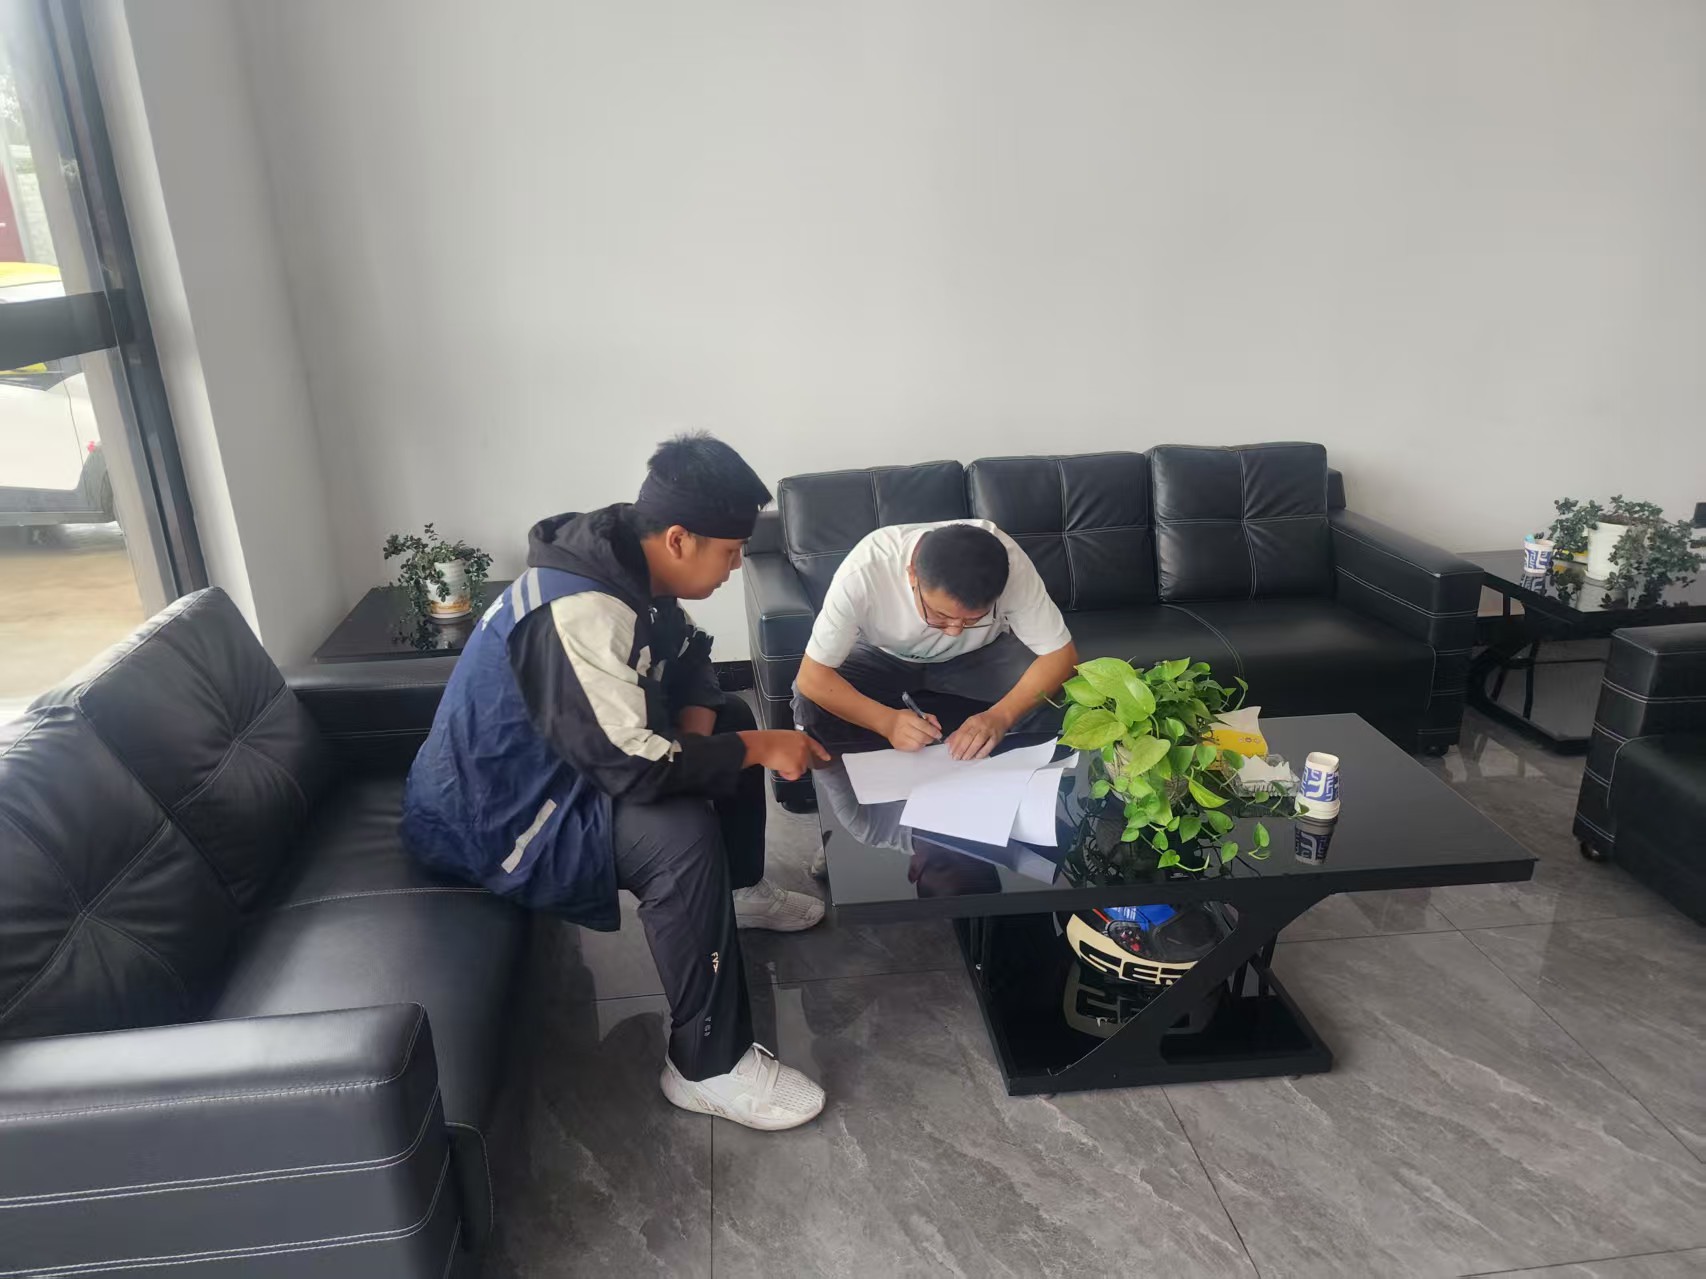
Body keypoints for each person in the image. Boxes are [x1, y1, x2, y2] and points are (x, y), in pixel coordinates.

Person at [402, 433, 831, 1132]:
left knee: (727, 717)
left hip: (561, 767)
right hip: (499, 816)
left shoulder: (630, 565)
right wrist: (754, 747)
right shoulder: (581, 609)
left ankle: (737, 892)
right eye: (730, 552)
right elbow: (634, 769)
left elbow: (688, 655)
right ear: (680, 538)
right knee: (679, 832)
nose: (735, 567)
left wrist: (710, 734)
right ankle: (707, 1065)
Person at [793, 520, 1079, 759]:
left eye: (972, 619)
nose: (954, 631)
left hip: (979, 657)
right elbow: (811, 677)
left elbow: (1060, 655)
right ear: (912, 576)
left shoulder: (1008, 564)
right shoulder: (865, 571)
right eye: (940, 615)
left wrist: (1001, 716)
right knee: (809, 702)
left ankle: (1026, 782)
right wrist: (886, 722)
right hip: (884, 657)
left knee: (1061, 692)